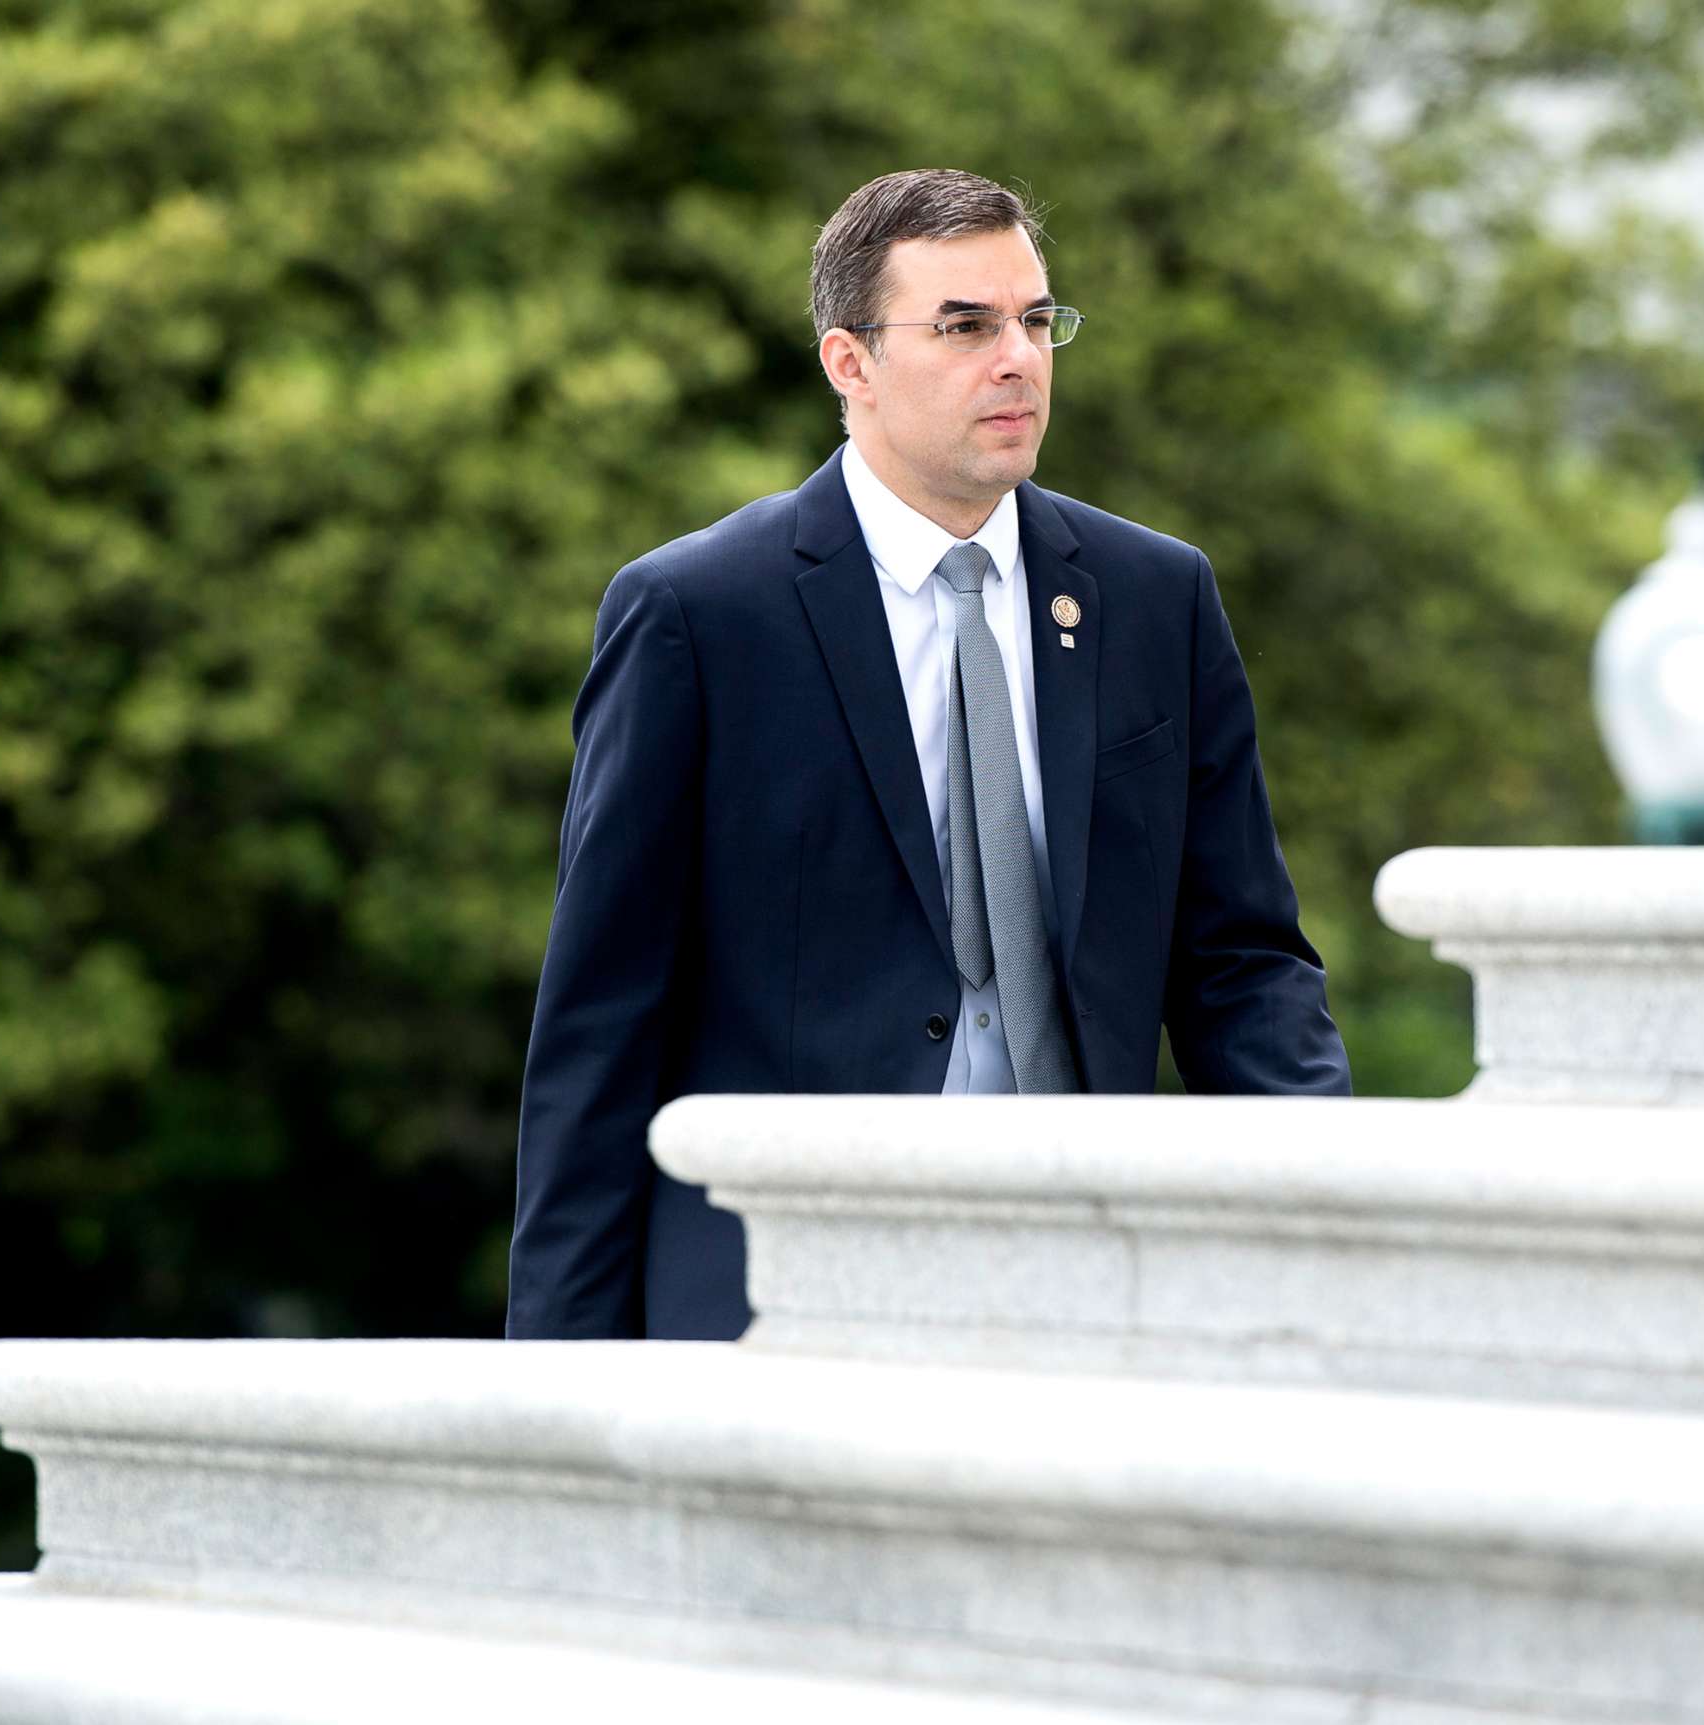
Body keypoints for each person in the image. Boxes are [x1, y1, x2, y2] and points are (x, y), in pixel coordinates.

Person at [508, 168, 1350, 1341]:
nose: (1018, 357)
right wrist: (560, 1387)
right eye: (964, 327)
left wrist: (1336, 1226)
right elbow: (601, 1025)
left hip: (1092, 1290)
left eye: (1036, 320)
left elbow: (1241, 963)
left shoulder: (1158, 598)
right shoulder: (698, 615)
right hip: (785, 1294)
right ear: (849, 363)